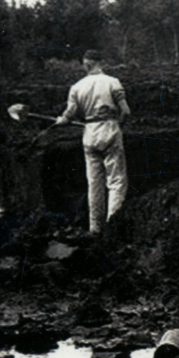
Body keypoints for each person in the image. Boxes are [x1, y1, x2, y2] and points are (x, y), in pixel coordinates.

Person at [56, 50, 131, 235]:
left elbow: (68, 114)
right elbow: (126, 111)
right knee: (116, 182)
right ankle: (113, 225)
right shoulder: (112, 82)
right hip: (110, 128)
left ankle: (95, 228)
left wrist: (61, 120)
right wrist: (119, 124)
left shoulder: (77, 87)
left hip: (89, 132)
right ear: (100, 62)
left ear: (85, 64)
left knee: (94, 184)